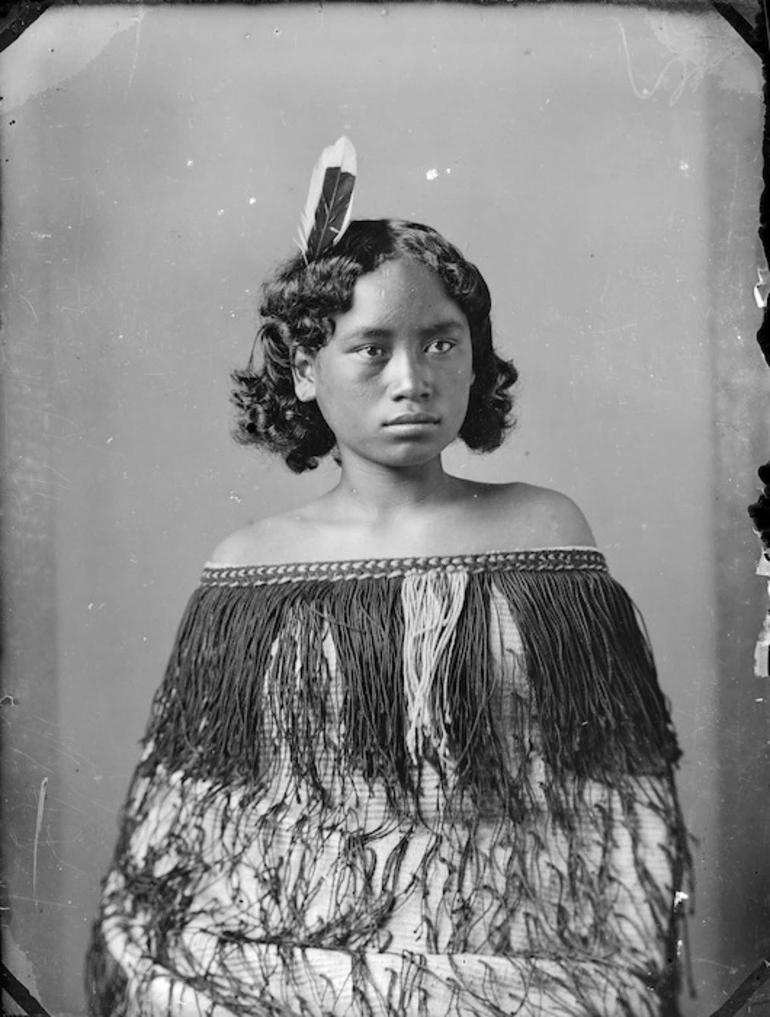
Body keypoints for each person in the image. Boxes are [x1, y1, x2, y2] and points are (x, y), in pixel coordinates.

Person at [86, 150, 691, 1017]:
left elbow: (616, 801)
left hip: (511, 954)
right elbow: (192, 823)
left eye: (441, 342)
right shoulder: (248, 564)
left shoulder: (545, 528)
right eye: (370, 349)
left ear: (475, 358)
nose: (412, 380)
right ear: (305, 369)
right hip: (292, 963)